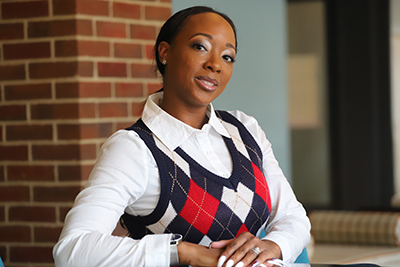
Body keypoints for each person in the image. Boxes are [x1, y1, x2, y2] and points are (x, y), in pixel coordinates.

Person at [53, 6, 310, 267]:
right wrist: (185, 252)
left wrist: (272, 246)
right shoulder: (134, 148)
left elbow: (292, 216)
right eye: (200, 46)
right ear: (165, 52)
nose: (215, 64)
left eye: (227, 57)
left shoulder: (245, 129)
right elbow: (73, 248)